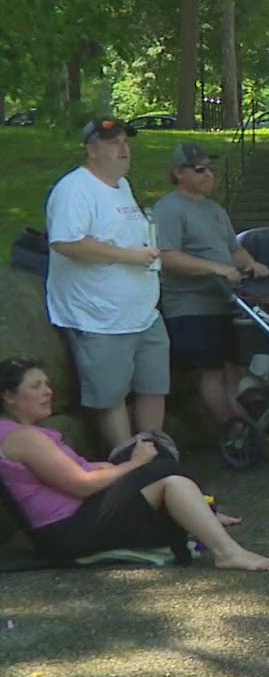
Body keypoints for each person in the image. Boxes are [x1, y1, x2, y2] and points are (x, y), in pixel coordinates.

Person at [0, 357, 269, 571]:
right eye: (36, 386)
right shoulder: (23, 438)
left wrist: (120, 466)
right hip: (67, 531)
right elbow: (81, 486)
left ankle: (204, 512)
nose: (47, 392)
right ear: (9, 396)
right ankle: (226, 551)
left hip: (75, 518)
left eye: (47, 384)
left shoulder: (22, 433)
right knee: (166, 475)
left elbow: (78, 471)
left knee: (154, 459)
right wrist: (134, 465)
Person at [44, 118, 168, 450]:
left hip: (142, 312)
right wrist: (128, 256)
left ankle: (153, 455)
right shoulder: (74, 189)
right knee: (111, 395)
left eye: (125, 142)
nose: (124, 149)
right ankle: (128, 465)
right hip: (99, 317)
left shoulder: (122, 186)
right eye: (113, 143)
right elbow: (67, 243)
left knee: (153, 385)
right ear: (91, 148)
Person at [152, 142, 269, 427]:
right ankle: (230, 429)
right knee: (212, 370)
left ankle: (243, 425)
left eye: (211, 170)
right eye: (201, 170)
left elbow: (234, 249)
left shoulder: (215, 210)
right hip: (190, 306)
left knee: (235, 368)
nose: (209, 176)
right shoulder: (168, 209)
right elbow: (167, 257)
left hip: (227, 302)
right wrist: (215, 268)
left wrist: (252, 265)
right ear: (179, 173)